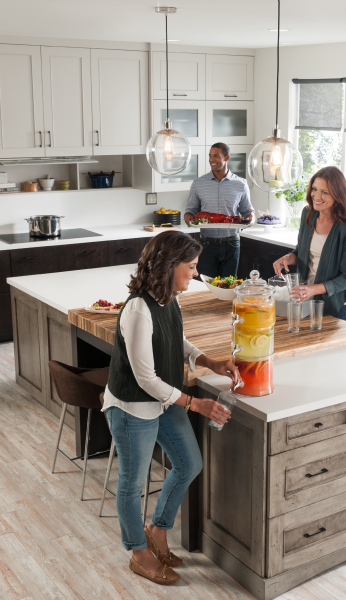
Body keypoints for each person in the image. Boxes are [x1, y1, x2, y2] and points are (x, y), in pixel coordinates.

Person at [103, 230, 237, 586]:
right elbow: (145, 378)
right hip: (132, 407)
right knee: (132, 484)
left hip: (163, 401)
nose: (196, 272)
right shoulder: (137, 309)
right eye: (191, 266)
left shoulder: (168, 298)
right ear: (169, 265)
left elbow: (176, 338)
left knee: (189, 464)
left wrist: (208, 360)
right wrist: (195, 403)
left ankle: (158, 530)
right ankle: (138, 552)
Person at [272, 166, 346, 320]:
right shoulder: (308, 214)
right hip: (304, 301)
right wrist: (287, 258)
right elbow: (300, 251)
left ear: (337, 194)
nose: (316, 196)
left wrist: (313, 289)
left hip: (333, 307)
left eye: (324, 192)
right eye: (314, 189)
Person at [183, 142, 252, 278]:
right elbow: (191, 209)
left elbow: (247, 211)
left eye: (216, 156)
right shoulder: (198, 183)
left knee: (228, 285)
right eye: (210, 156)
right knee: (206, 285)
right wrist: (188, 215)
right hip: (206, 244)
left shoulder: (241, 184)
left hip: (232, 243)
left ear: (227, 158)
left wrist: (251, 218)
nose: (211, 159)